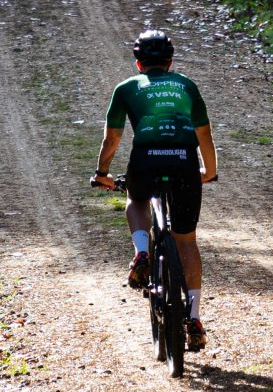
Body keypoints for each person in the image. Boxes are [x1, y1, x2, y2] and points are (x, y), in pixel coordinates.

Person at [92, 29, 217, 350]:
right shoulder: (186, 85)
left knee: (135, 199)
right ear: (171, 62)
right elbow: (204, 134)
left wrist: (102, 173)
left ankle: (142, 253)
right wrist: (210, 171)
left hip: (145, 162)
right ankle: (194, 316)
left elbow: (113, 139)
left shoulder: (126, 87)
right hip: (184, 164)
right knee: (186, 240)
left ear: (138, 64)